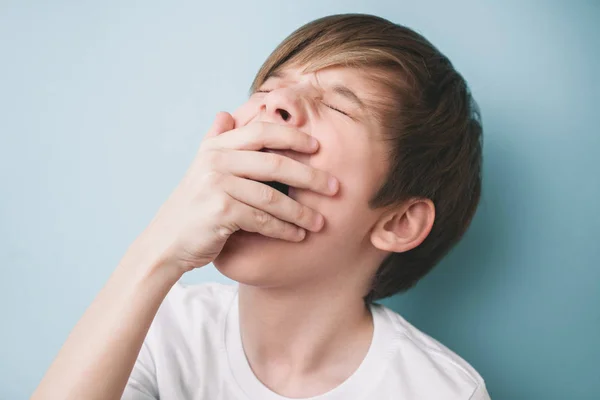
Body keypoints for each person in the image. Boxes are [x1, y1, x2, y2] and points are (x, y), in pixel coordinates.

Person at [32, 13, 490, 400]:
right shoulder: (161, 327)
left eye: (338, 107)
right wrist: (157, 252)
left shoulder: (439, 390)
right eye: (268, 89)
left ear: (398, 221)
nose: (276, 105)